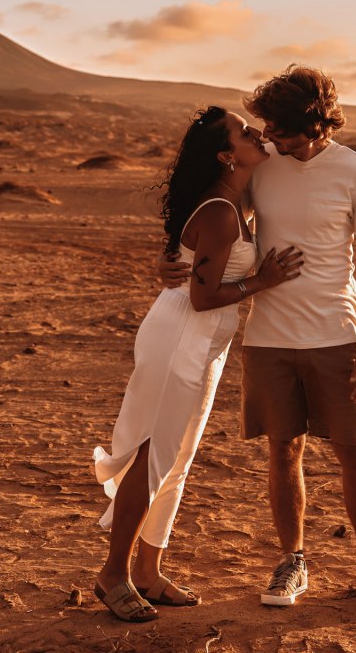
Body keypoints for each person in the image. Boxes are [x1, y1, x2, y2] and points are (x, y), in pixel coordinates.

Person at [161, 69, 356, 614]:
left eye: (281, 131)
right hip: (268, 337)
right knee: (284, 450)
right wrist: (176, 258)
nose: (271, 140)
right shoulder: (263, 169)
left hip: (337, 335)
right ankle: (293, 561)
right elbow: (210, 212)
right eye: (267, 130)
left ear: (314, 123)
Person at [93, 106, 302, 623]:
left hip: (204, 341)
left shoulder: (236, 201)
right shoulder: (221, 211)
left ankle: (147, 570)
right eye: (245, 131)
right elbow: (204, 296)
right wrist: (264, 281)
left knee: (177, 459)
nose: (258, 134)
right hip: (183, 335)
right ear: (227, 155)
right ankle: (112, 574)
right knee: (153, 456)